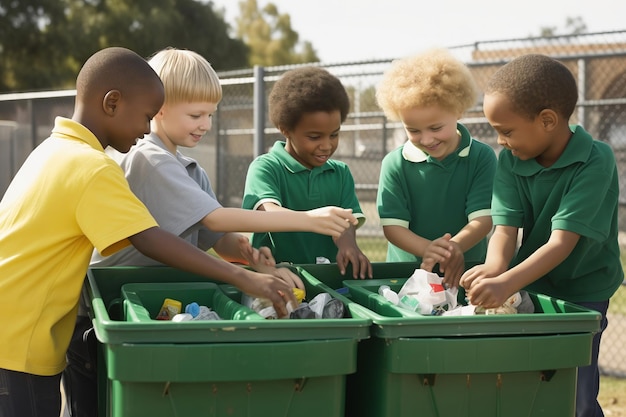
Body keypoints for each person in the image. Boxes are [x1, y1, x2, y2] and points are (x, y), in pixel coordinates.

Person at [0, 46, 303, 417]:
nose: (146, 129)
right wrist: (245, 279)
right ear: (112, 103)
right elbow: (151, 238)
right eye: (145, 117)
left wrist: (246, 258)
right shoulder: (92, 167)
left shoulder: (53, 149)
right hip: (18, 343)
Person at [63, 47, 360, 417]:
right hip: (101, 315)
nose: (205, 124)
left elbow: (216, 238)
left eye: (210, 114)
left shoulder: (189, 167)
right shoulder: (148, 158)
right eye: (195, 114)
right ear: (158, 107)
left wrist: (252, 256)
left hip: (144, 306)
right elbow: (217, 218)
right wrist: (308, 218)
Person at [459, 54, 623, 417]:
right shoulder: (511, 161)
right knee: (528, 386)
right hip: (532, 286)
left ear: (547, 120)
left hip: (584, 292)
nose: (500, 141)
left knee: (575, 395)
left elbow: (561, 242)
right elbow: (504, 228)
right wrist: (493, 269)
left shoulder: (596, 160)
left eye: (506, 130)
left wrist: (505, 283)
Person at [374, 48, 496, 289]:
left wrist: (454, 248)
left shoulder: (482, 156)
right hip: (408, 276)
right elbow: (393, 228)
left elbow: (482, 219)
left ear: (458, 111)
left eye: (436, 127)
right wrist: (429, 250)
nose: (427, 139)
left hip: (467, 273)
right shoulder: (394, 163)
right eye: (414, 130)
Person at [242, 66, 373, 279]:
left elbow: (347, 221)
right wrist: (313, 219)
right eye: (314, 137)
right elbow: (269, 213)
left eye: (334, 135)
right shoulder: (266, 167)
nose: (326, 145)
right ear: (285, 129)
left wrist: (348, 244)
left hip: (328, 280)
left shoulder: (340, 173)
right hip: (276, 278)